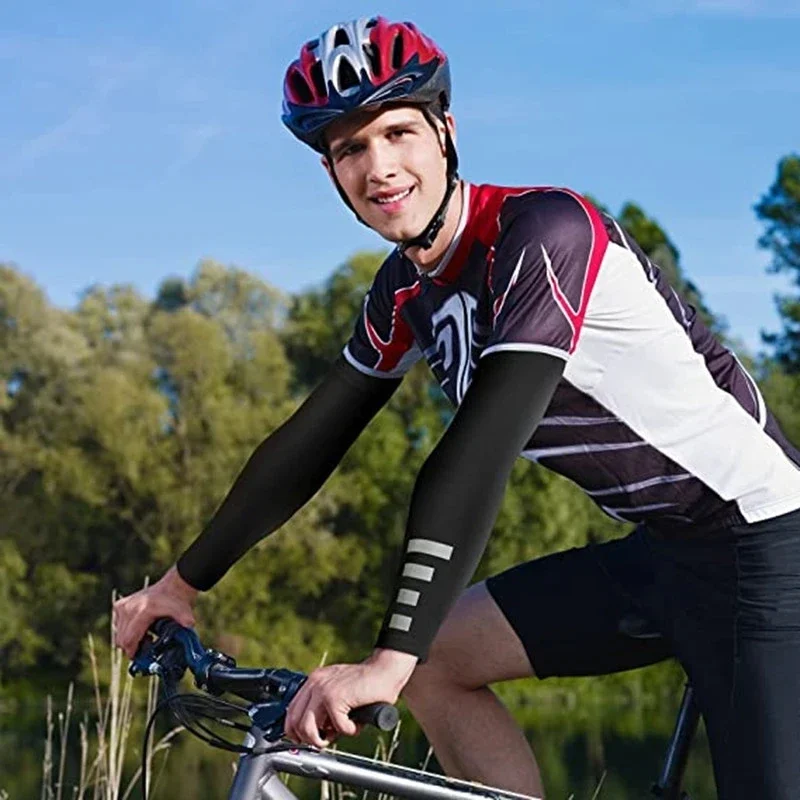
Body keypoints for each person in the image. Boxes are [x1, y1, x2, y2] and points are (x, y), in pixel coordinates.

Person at [113, 16, 800, 800]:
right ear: (332, 173)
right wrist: (181, 586)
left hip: (768, 544)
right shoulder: (403, 290)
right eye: (349, 149)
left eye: (399, 132)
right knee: (437, 664)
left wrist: (384, 661)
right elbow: (309, 442)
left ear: (446, 130)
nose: (380, 167)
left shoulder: (543, 233)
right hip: (664, 554)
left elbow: (478, 452)